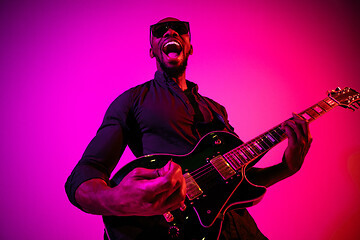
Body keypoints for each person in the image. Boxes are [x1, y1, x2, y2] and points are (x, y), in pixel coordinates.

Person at [65, 17, 312, 240]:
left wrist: (287, 168)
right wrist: (115, 199)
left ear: (190, 47)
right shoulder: (132, 100)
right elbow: (88, 170)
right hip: (173, 230)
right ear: (152, 51)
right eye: (160, 31)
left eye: (180, 29)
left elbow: (241, 180)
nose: (170, 31)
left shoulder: (216, 109)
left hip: (239, 230)